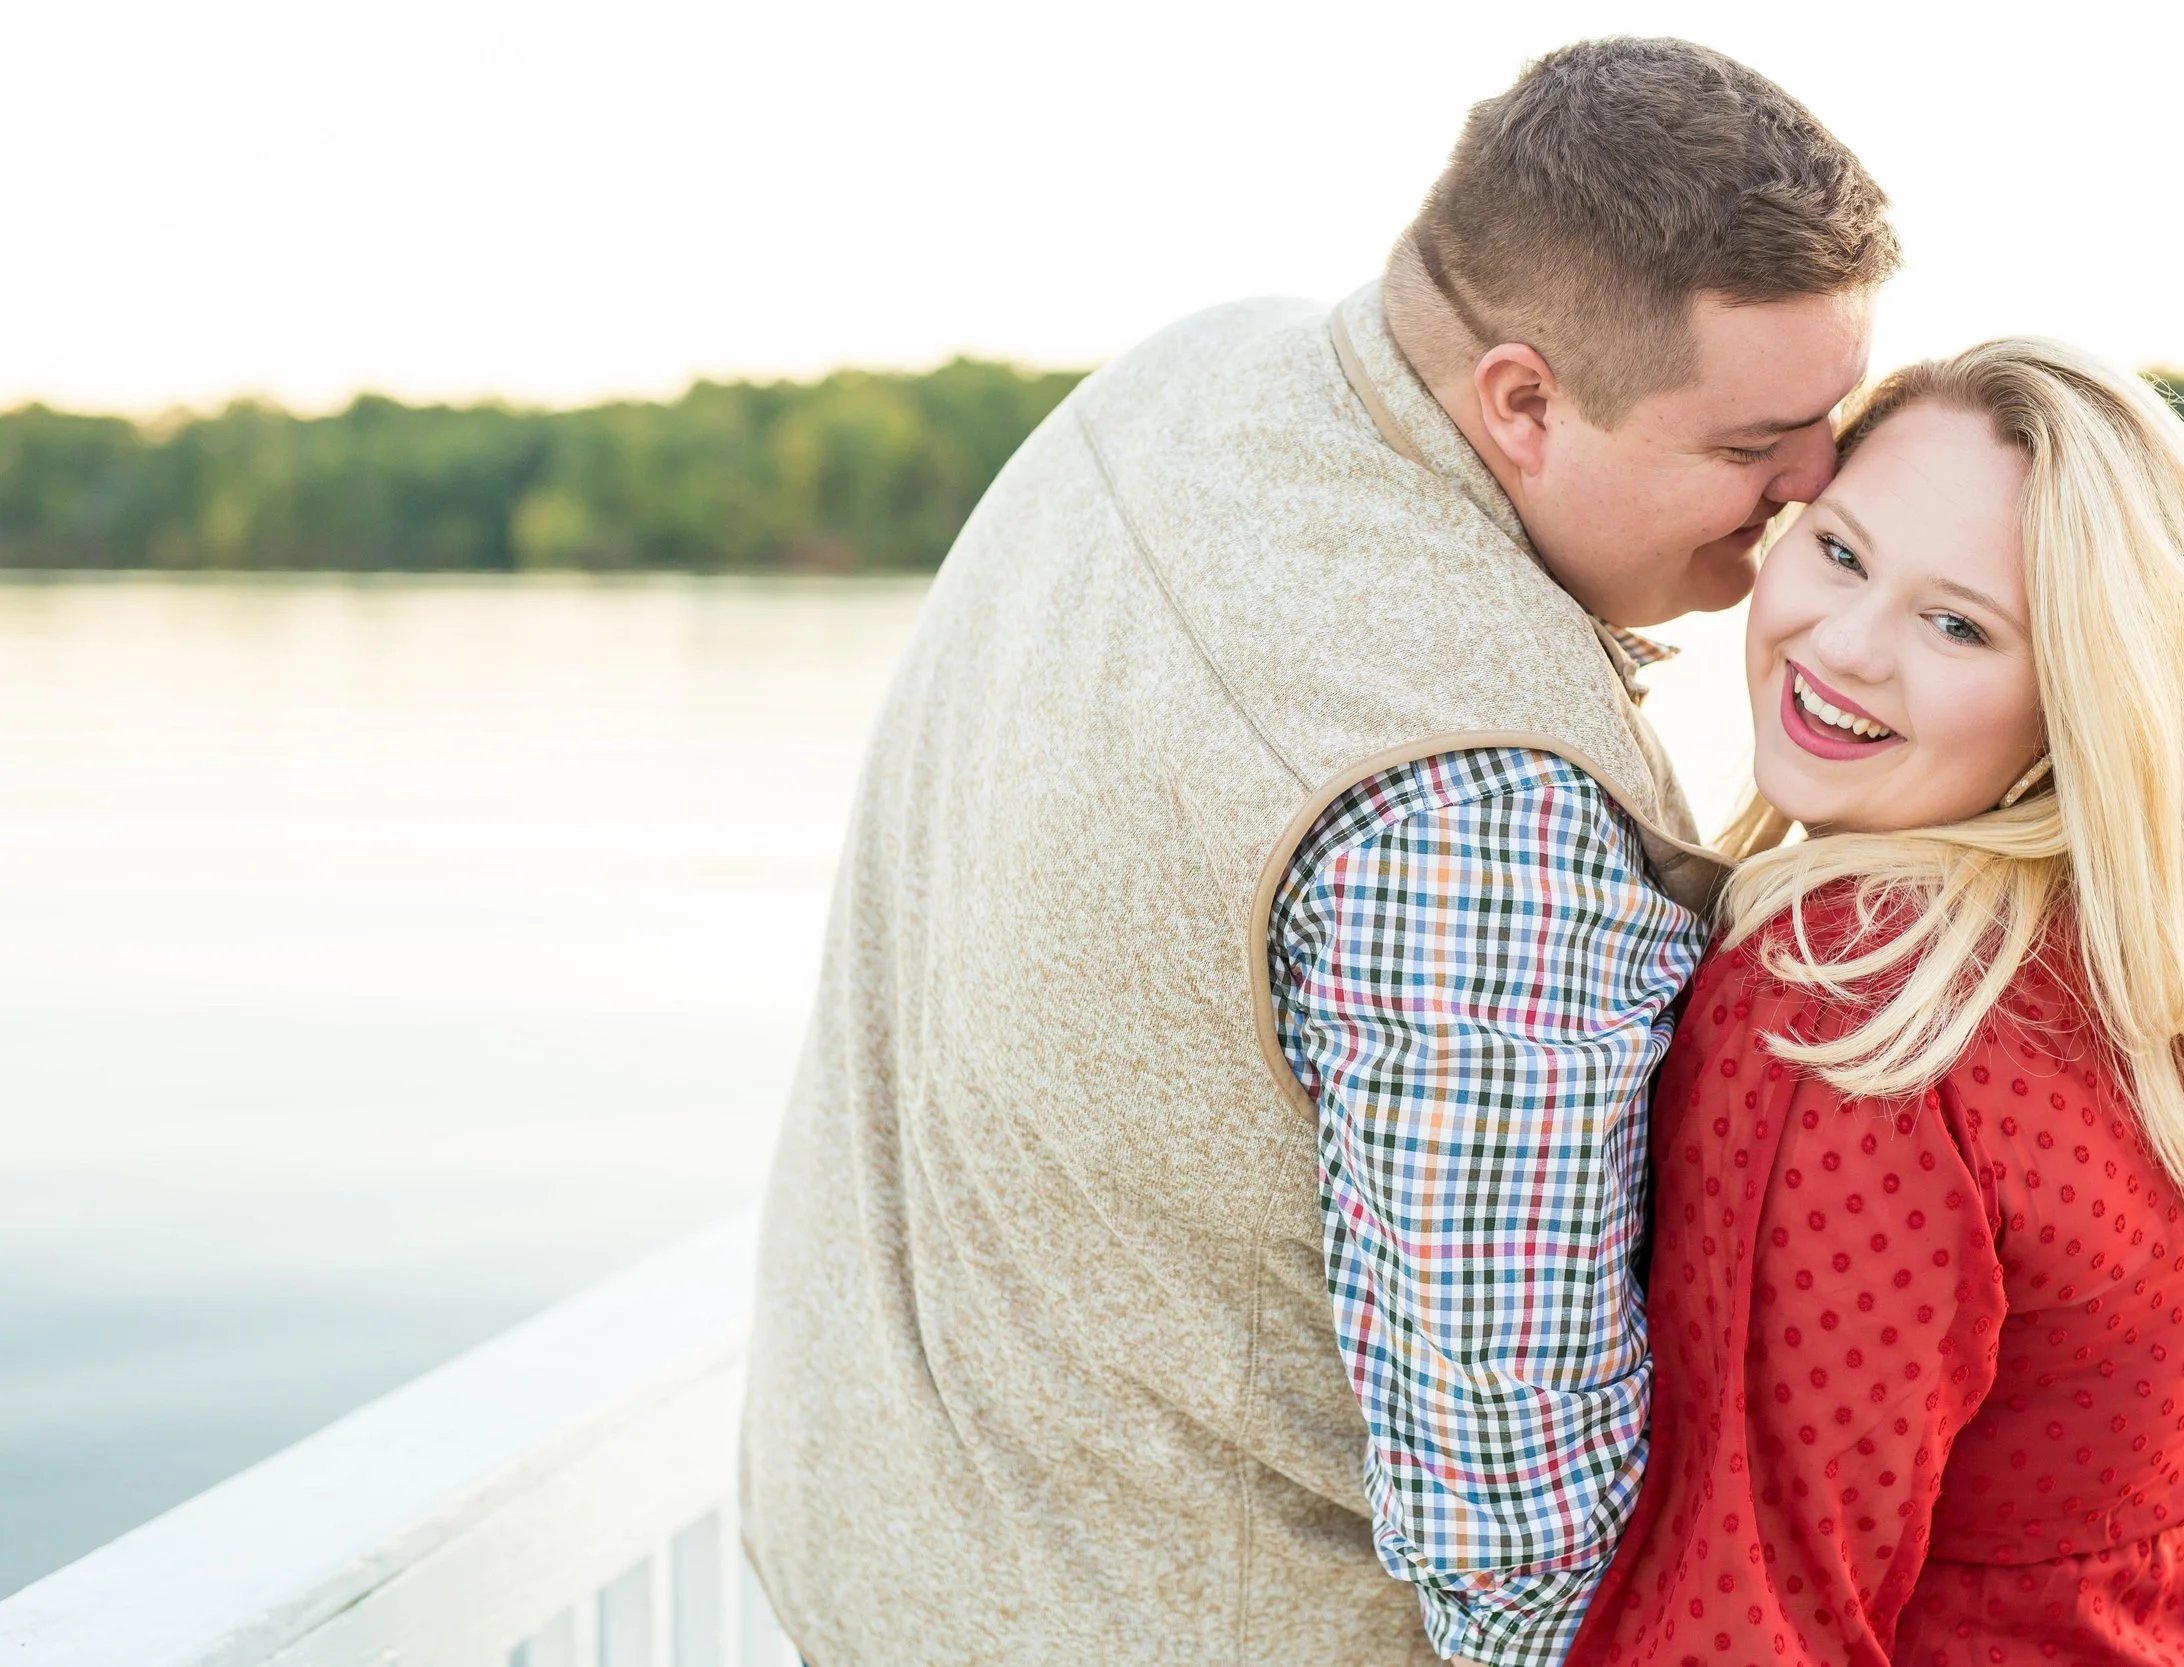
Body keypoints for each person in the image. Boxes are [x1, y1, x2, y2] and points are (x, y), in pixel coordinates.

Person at [737, 37, 1898, 1667]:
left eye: (1830, 422)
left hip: (875, 1566)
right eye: (1747, 447)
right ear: (1521, 401)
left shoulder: (1185, 379)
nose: (1813, 489)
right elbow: (1526, 1563)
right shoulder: (1480, 810)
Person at [1565, 340, 2184, 1667]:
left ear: (2078, 698)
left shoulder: (1851, 1012)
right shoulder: (2157, 954)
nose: (1843, 643)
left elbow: (1750, 1611)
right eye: (1838, 550)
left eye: (1958, 624)